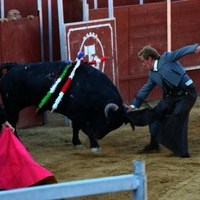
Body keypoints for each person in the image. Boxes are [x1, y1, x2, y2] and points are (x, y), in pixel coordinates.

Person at [126, 44, 200, 157]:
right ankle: (154, 145)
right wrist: (134, 105)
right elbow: (145, 89)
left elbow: (181, 51)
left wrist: (195, 48)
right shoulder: (152, 74)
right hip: (172, 97)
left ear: (150, 59)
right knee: (156, 112)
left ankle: (181, 151)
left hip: (187, 94)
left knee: (177, 116)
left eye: (143, 61)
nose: (143, 64)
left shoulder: (166, 58)